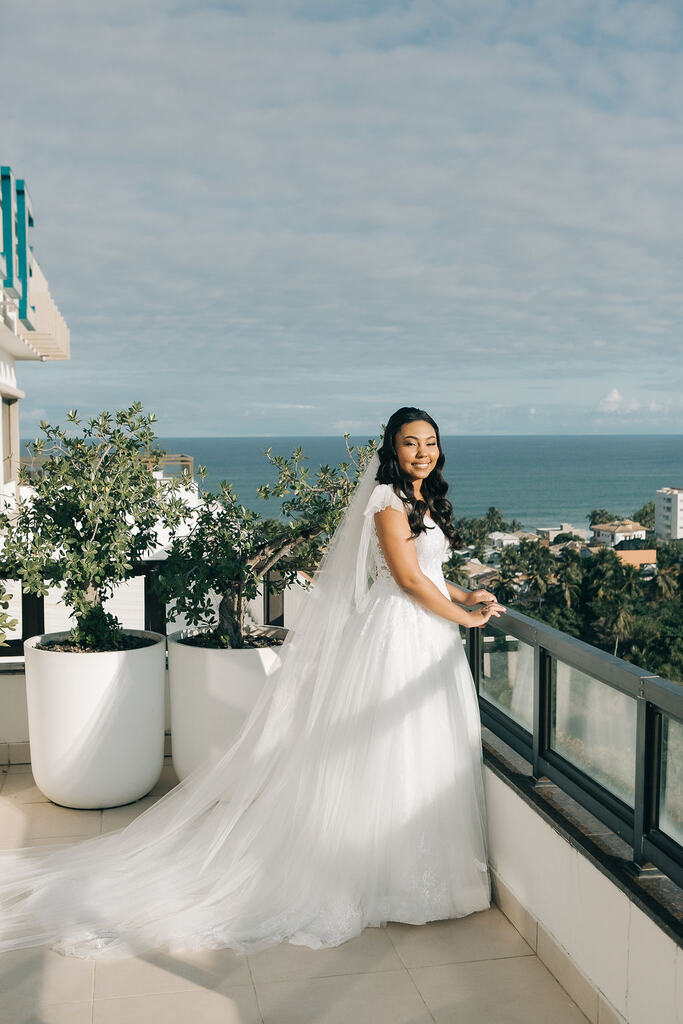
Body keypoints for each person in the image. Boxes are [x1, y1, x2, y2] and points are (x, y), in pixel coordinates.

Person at [0, 405, 504, 960]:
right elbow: (406, 580)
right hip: (399, 633)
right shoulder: (386, 501)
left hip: (427, 631)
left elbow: (430, 573)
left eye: (430, 442)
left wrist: (466, 596)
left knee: (423, 747)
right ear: (392, 448)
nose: (423, 452)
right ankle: (387, 880)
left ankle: (427, 875)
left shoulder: (421, 500)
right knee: (392, 748)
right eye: (411, 443)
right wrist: (465, 619)